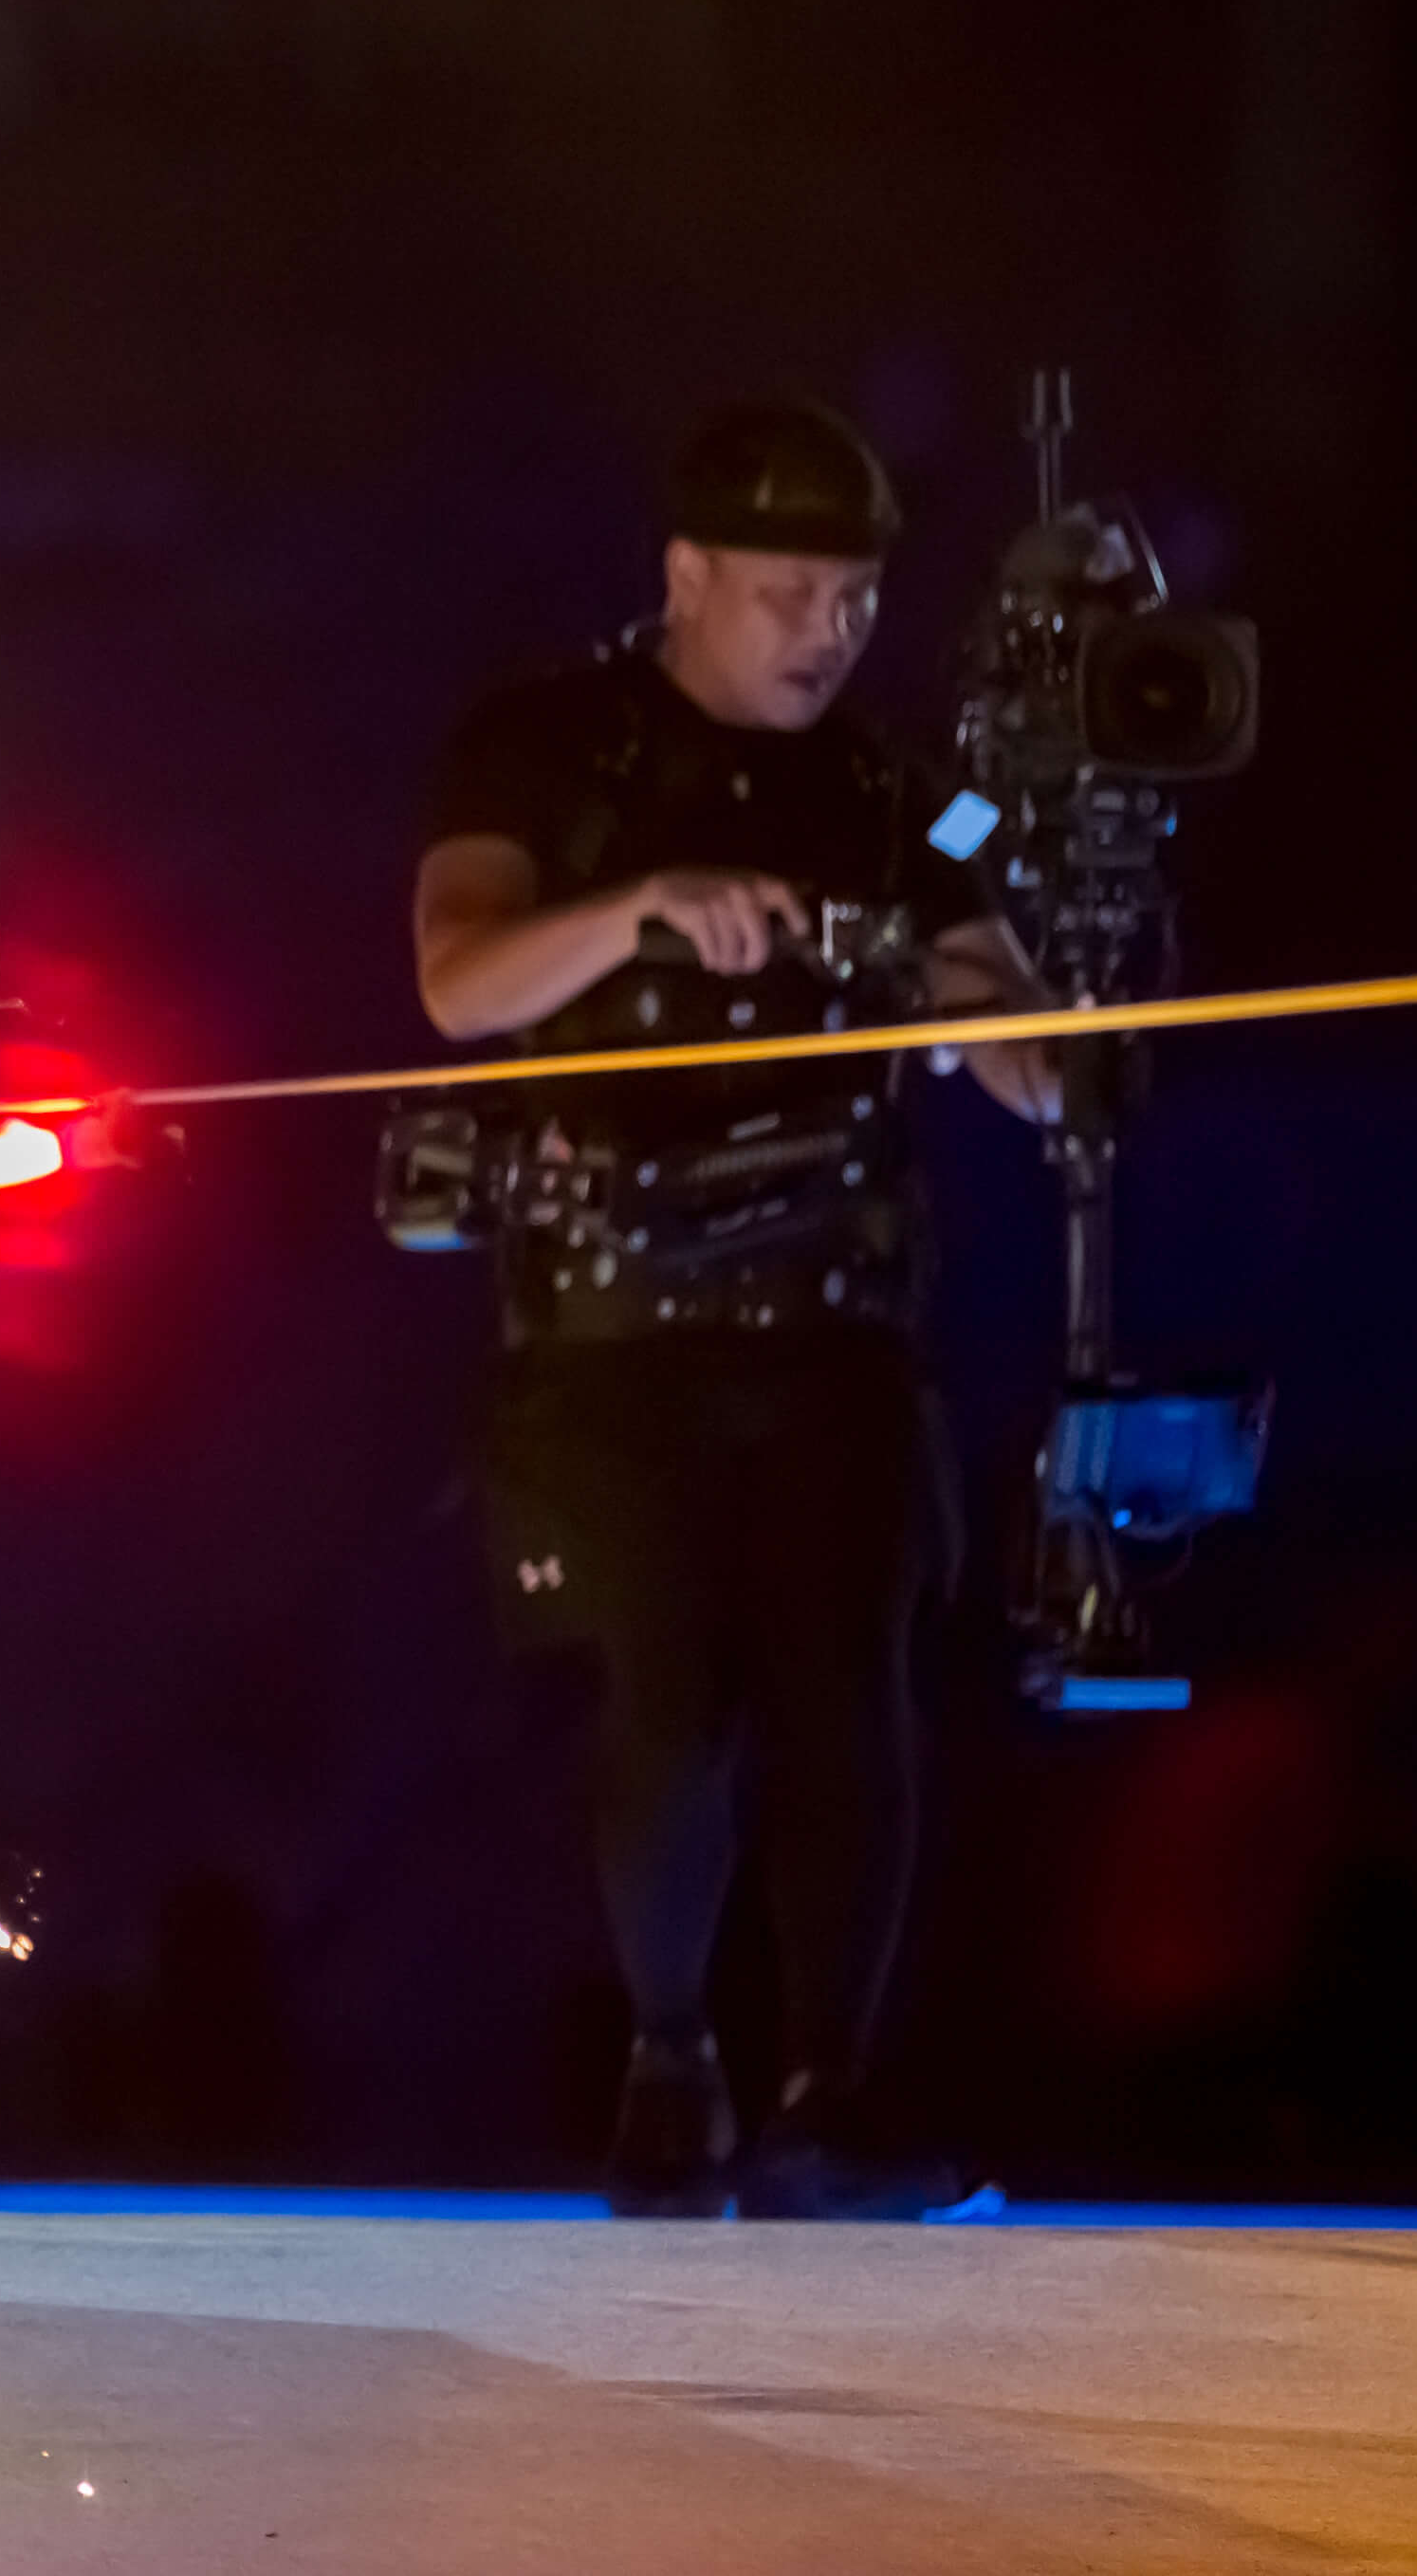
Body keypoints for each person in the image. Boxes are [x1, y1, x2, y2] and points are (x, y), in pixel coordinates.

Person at [413, 396, 1057, 2220]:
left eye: (852, 598)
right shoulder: (541, 743)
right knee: (672, 1706)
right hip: (617, 1335)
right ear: (687, 575)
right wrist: (648, 909)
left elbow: (1011, 1010)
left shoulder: (897, 780)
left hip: (832, 1319)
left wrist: (1024, 992)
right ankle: (673, 2053)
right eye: (784, 594)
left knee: (856, 1701)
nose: (824, 633)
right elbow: (459, 982)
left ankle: (828, 2092)